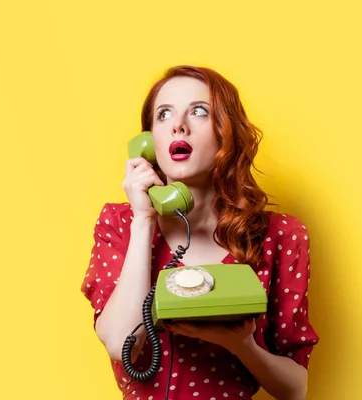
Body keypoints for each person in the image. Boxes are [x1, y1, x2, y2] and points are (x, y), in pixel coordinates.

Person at [80, 65, 319, 400]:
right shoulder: (121, 223)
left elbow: (295, 389)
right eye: (164, 114)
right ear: (148, 143)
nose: (179, 125)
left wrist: (241, 345)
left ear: (227, 132)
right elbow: (122, 345)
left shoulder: (281, 235)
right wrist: (144, 218)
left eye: (199, 111)